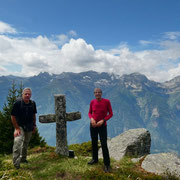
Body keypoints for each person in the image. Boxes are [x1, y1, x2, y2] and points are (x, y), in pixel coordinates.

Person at [88, 88, 113, 173]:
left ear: (101, 93)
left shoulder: (106, 102)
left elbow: (111, 114)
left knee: (103, 144)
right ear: (94, 94)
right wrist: (91, 119)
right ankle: (95, 159)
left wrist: (103, 120)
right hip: (93, 125)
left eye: (99, 92)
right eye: (96, 92)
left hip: (102, 126)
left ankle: (107, 164)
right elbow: (89, 112)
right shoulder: (92, 102)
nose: (97, 94)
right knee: (94, 142)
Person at [11, 87, 37, 169]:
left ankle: (23, 159)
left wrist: (34, 125)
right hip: (19, 126)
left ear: (31, 95)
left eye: (29, 94)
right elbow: (12, 116)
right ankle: (16, 165)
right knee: (18, 142)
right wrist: (17, 128)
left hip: (29, 125)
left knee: (26, 143)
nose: (27, 95)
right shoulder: (18, 103)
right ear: (22, 94)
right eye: (25, 94)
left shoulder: (32, 103)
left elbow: (34, 115)